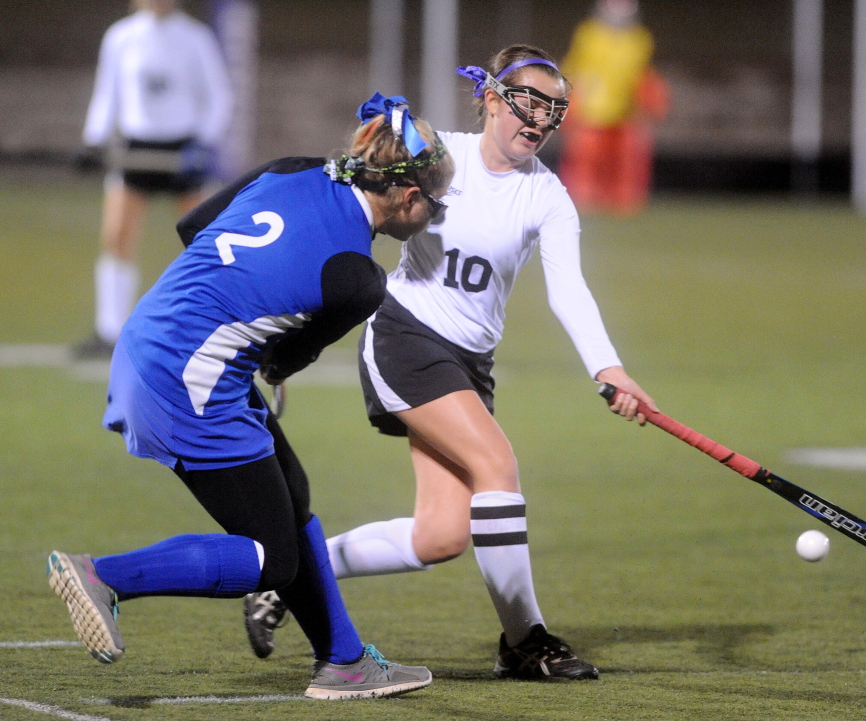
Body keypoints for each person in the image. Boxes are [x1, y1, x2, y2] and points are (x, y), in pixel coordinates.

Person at [243, 45, 657, 682]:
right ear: (491, 100)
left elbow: (569, 289)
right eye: (528, 106)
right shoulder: (442, 158)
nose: (539, 124)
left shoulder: (548, 196)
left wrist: (608, 366)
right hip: (405, 336)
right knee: (498, 465)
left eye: (553, 114)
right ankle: (525, 642)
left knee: (440, 535)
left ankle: (288, 576)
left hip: (469, 364)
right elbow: (354, 199)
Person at [48, 94, 455, 700]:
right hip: (187, 382)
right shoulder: (358, 278)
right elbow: (285, 357)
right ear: (408, 197)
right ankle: (103, 576)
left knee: (292, 498)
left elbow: (193, 228)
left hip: (153, 338)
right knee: (273, 560)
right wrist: (262, 339)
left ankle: (344, 661)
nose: (434, 217)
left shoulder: (293, 167)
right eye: (436, 205)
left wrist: (239, 300)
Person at [74, 0, 233, 359]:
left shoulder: (196, 37)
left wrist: (204, 142)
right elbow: (107, 93)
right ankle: (110, 331)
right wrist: (93, 139)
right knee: (116, 238)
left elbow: (219, 95)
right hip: (136, 150)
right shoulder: (121, 37)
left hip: (182, 151)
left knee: (206, 243)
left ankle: (211, 326)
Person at [558, 0, 671, 216]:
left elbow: (642, 74)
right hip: (591, 112)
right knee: (586, 159)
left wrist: (649, 100)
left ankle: (624, 202)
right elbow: (574, 69)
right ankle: (583, 200)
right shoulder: (588, 34)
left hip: (626, 113)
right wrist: (571, 101)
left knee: (626, 162)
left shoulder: (640, 39)